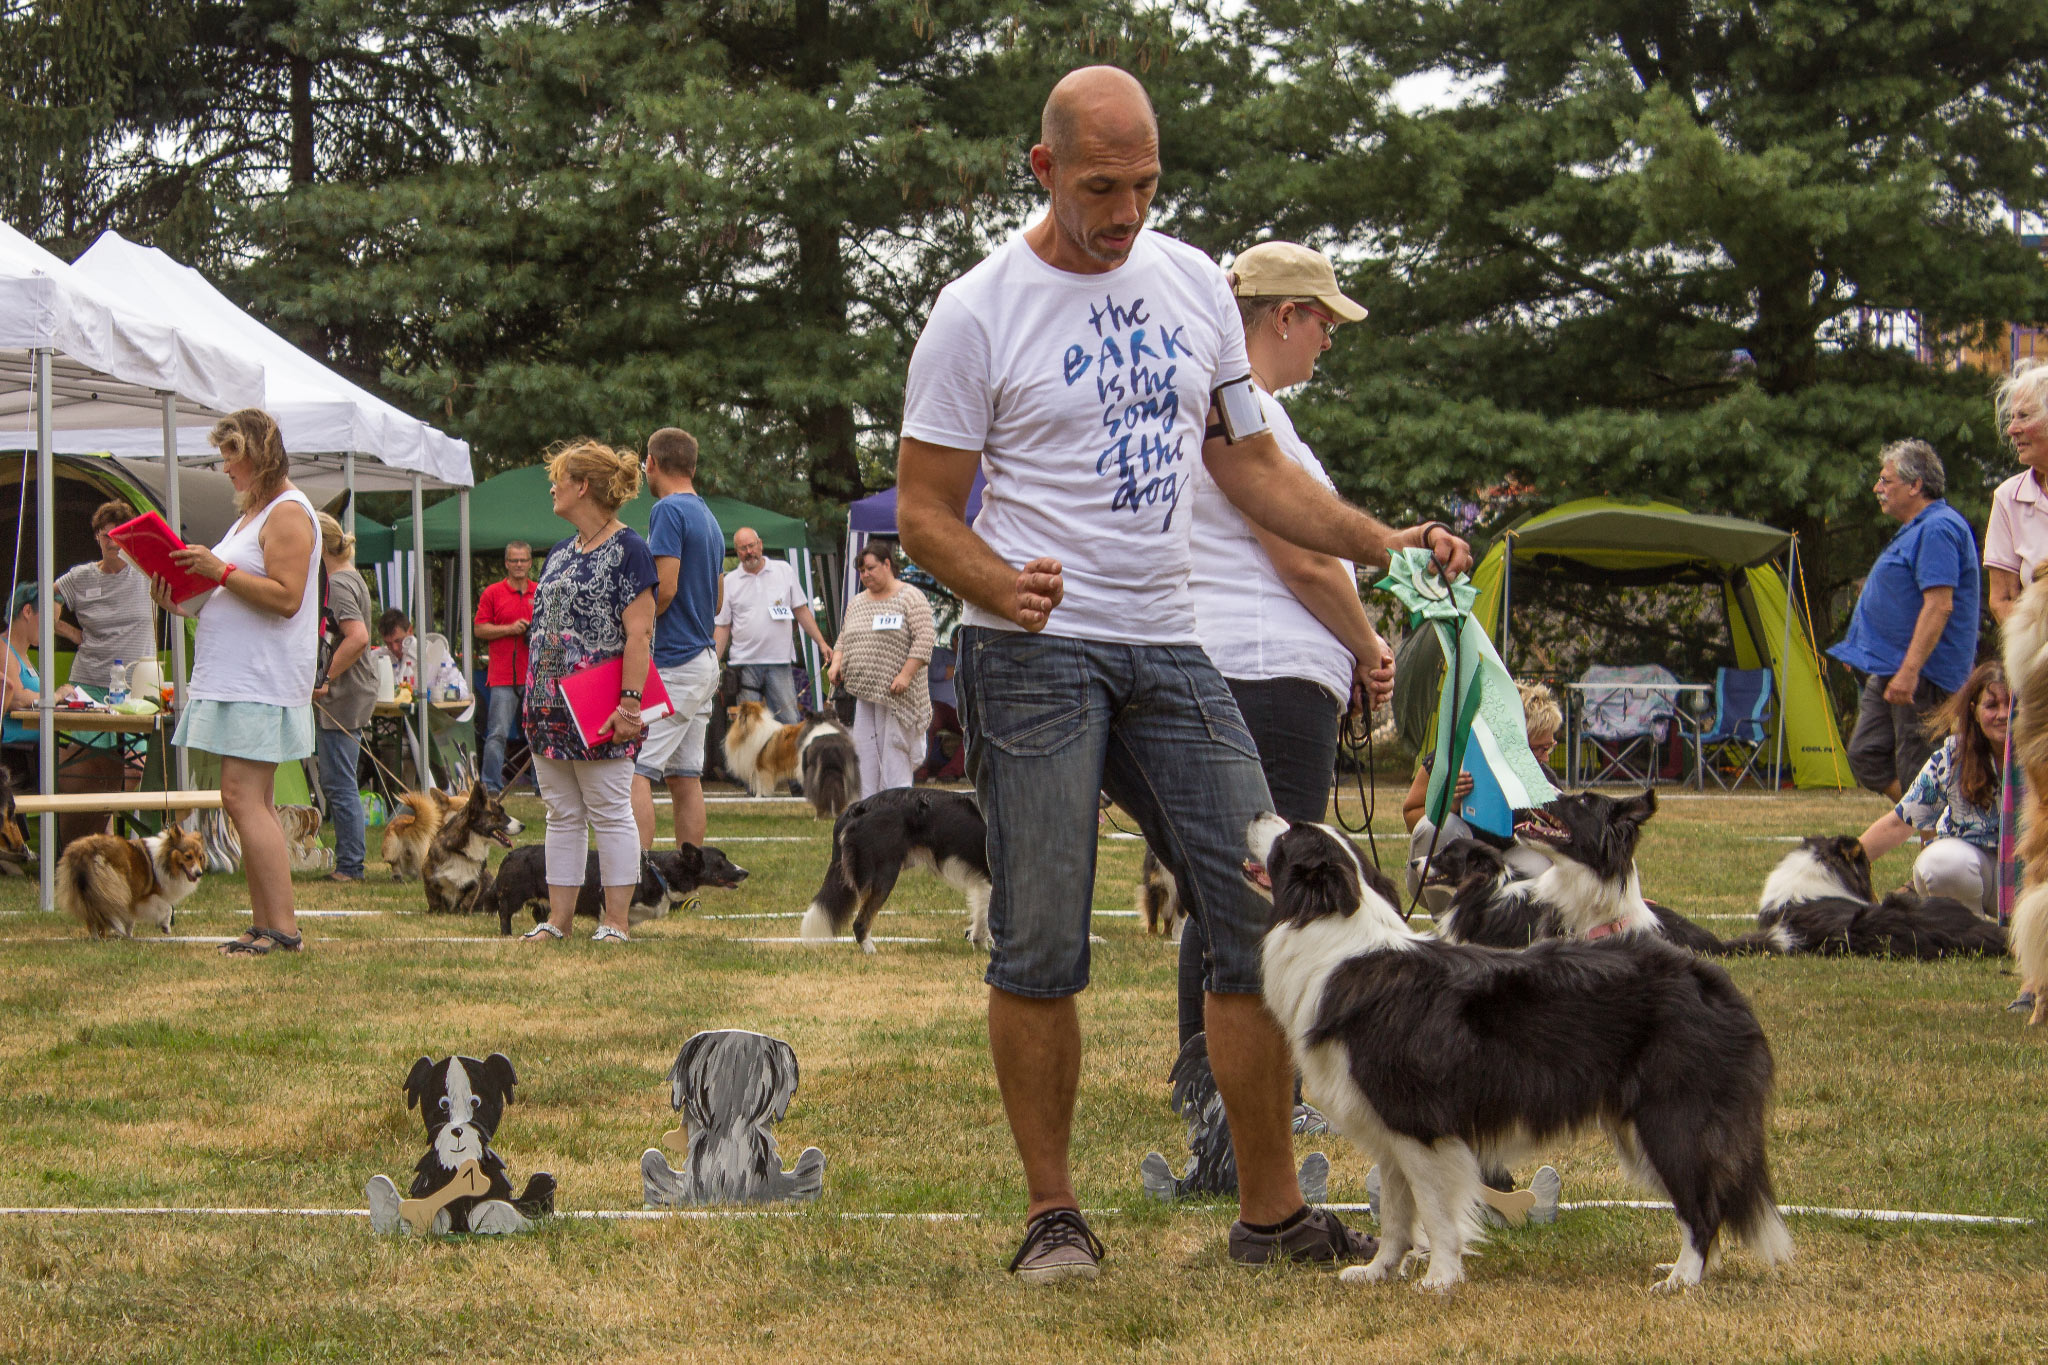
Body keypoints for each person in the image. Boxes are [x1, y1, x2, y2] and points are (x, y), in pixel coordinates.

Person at [895, 64, 1471, 1283]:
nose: (1127, 211)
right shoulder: (975, 310)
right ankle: (1054, 1217)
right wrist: (996, 584)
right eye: (1102, 186)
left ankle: (1270, 1219)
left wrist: (1382, 541)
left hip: (1169, 643)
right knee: (1040, 939)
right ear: (1043, 170)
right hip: (1031, 654)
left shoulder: (1192, 283)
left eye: (1146, 184)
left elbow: (1244, 464)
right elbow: (924, 512)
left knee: (1257, 910)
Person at [1177, 240, 1395, 1044]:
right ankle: (1238, 1069)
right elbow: (1303, 558)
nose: (1329, 340)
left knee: (1237, 879)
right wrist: (1369, 645)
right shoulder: (1254, 413)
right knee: (1271, 884)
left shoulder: (1252, 410)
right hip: (1266, 674)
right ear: (1286, 316)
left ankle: (1210, 1067)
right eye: (1325, 322)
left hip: (1252, 669)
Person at [157, 409, 320, 957]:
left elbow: (286, 596)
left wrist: (217, 571)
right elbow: (235, 595)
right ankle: (265, 924)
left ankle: (282, 929)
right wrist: (181, 597)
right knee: (250, 803)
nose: (224, 466)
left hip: (262, 683)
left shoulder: (288, 512)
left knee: (242, 799)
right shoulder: (252, 517)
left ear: (259, 453)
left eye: (232, 453)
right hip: (241, 679)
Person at [517, 438, 655, 946]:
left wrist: (630, 703)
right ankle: (558, 920)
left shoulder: (630, 549)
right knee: (561, 813)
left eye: (559, 478)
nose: (551, 487)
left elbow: (640, 632)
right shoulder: (558, 552)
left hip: (601, 706)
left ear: (583, 486)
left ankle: (616, 923)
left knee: (609, 809)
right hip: (548, 707)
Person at [1826, 439, 1980, 799]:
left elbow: (1939, 605)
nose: (1878, 489)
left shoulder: (1939, 528)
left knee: (1918, 768)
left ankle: (1940, 839)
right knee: (1866, 756)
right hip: (1894, 669)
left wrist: (1910, 671)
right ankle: (1936, 824)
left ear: (1915, 485)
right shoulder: (1917, 527)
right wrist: (1862, 651)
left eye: (1886, 480)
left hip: (1924, 676)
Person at [632, 427, 726, 851]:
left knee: (634, 770)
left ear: (651, 463)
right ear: (693, 465)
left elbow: (664, 588)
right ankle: (689, 884)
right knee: (684, 775)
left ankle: (631, 879)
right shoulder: (710, 517)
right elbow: (719, 598)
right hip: (703, 658)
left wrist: (637, 626)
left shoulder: (667, 511)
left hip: (674, 660)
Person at [1856, 661, 2008, 915]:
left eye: (2012, 704)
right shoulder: (1952, 756)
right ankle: (1972, 931)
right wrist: (1839, 863)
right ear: (1973, 710)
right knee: (1942, 864)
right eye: (1992, 705)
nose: (2003, 714)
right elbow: (1899, 823)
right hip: (1973, 871)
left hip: (2031, 877)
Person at [1402, 681, 1561, 903]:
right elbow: (1411, 818)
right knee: (1437, 826)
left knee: (1541, 864)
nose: (1545, 758)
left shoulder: (1544, 781)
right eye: (1540, 749)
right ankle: (1449, 924)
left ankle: (1515, 928)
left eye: (1550, 746)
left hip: (1504, 868)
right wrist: (1449, 803)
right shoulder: (1454, 758)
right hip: (1446, 867)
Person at [829, 542, 934, 798]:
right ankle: (868, 812)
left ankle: (897, 812)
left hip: (898, 696)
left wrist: (906, 675)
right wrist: (836, 662)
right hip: (864, 694)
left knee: (895, 756)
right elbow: (844, 638)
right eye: (862, 571)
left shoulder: (910, 596)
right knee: (864, 755)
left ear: (887, 564)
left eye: (870, 568)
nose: (865, 575)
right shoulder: (856, 603)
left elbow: (924, 638)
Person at [311, 512, 376, 882]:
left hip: (344, 694)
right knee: (339, 778)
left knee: (338, 781)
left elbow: (358, 637)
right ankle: (350, 860)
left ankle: (350, 865)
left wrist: (324, 677)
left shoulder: (336, 584)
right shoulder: (348, 577)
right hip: (348, 691)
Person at [714, 526, 831, 723]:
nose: (749, 552)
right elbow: (723, 626)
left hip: (779, 661)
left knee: (789, 721)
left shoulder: (784, 570)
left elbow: (801, 610)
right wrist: (713, 663)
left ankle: (789, 756)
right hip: (744, 664)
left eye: (751, 545)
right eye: (743, 548)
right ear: (737, 551)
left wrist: (821, 642)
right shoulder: (730, 581)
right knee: (749, 729)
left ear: (760, 545)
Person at [54, 500, 158, 698]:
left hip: (138, 685)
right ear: (97, 537)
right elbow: (38, 600)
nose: (112, 543)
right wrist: (70, 632)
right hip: (89, 683)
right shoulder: (81, 576)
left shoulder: (147, 571)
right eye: (106, 536)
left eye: (119, 535)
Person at [1987, 358, 2048, 623]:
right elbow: (2002, 600)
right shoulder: (2008, 497)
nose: (2012, 429)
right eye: (2012, 418)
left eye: (2024, 416)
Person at [0, 585, 79, 789]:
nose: (51, 629)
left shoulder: (23, 656)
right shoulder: (3, 650)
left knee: (103, 766)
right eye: (49, 620)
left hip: (38, 750)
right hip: (18, 754)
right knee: (94, 770)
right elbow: (16, 698)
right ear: (27, 612)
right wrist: (56, 695)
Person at [474, 542, 537, 794]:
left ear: (530, 563)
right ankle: (490, 786)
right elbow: (479, 629)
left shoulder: (540, 591)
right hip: (502, 677)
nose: (519, 565)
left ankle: (542, 785)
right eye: (514, 560)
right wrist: (509, 630)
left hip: (534, 677)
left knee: (539, 734)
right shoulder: (492, 593)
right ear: (506, 564)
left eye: (523, 560)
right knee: (497, 733)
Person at [379, 609, 417, 690]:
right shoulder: (379, 657)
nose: (394, 648)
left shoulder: (431, 653)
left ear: (410, 631)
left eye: (398, 641)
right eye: (388, 643)